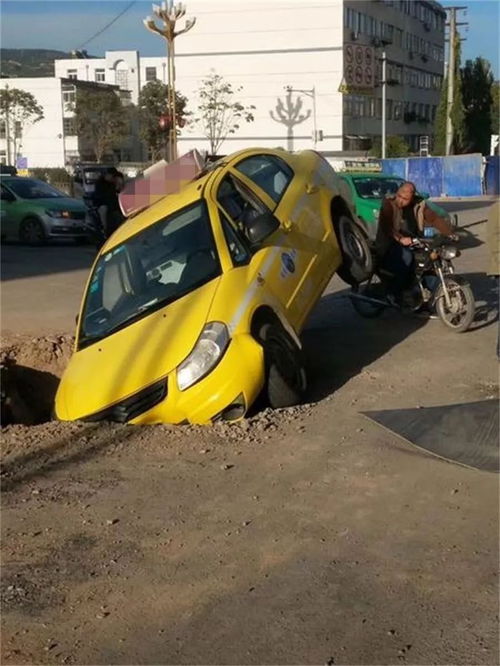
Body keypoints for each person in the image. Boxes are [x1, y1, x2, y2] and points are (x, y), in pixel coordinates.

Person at [375, 181, 454, 303]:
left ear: (412, 198)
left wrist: (450, 233)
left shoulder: (419, 205)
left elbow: (434, 218)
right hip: (389, 244)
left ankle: (424, 293)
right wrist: (400, 239)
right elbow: (387, 227)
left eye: (405, 199)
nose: (401, 200)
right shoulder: (388, 204)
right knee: (406, 257)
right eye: (400, 196)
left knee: (430, 258)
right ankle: (395, 293)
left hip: (413, 241)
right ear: (397, 193)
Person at [93, 167, 125, 238]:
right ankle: (104, 228)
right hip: (102, 203)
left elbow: (119, 193)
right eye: (112, 176)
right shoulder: (100, 183)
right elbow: (101, 195)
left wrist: (119, 187)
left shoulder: (113, 183)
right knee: (103, 209)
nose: (113, 178)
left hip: (114, 204)